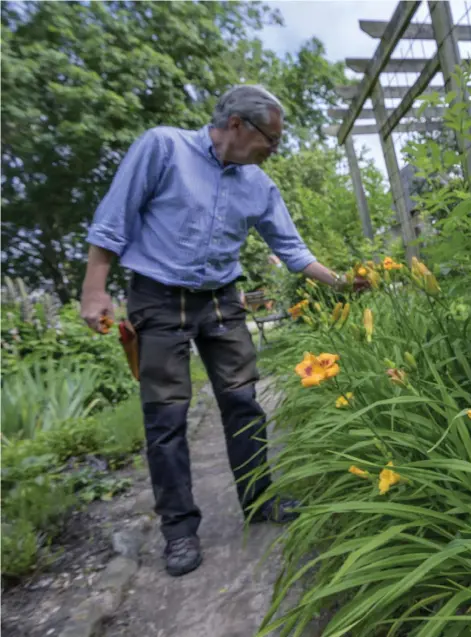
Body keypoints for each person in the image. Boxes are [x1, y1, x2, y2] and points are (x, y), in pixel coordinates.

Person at [80, 85, 348, 577]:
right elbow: (113, 220)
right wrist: (94, 289)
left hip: (222, 300)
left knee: (243, 402)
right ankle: (179, 532)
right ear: (239, 126)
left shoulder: (259, 186)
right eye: (272, 138)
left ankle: (260, 500)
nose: (275, 148)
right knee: (166, 417)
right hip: (157, 299)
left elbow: (293, 250)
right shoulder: (163, 148)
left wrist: (343, 282)